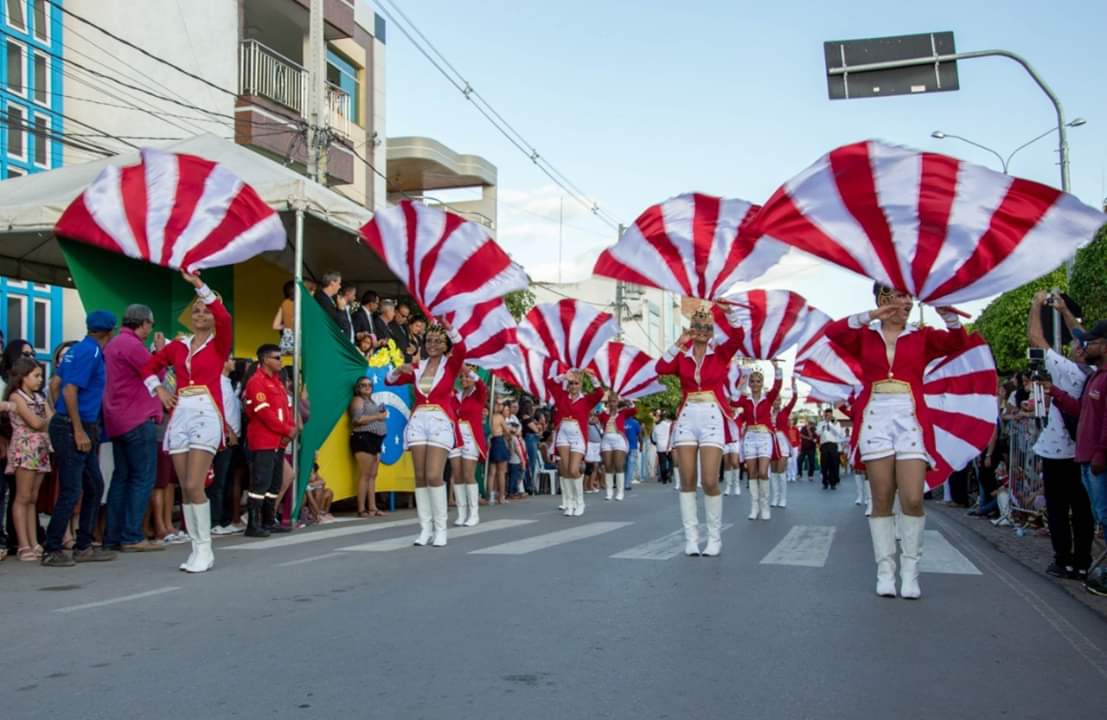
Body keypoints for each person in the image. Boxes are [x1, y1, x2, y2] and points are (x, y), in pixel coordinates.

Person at [823, 283, 967, 598]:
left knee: (913, 498)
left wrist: (950, 318)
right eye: (899, 296)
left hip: (910, 418)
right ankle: (885, 570)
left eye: (908, 297)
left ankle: (910, 571)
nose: (907, 302)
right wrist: (874, 315)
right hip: (875, 416)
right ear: (883, 299)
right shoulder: (865, 335)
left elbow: (957, 342)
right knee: (882, 497)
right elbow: (832, 331)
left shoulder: (922, 335)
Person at [142, 271, 233, 573]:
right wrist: (159, 389)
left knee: (196, 483)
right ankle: (196, 548)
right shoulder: (178, 345)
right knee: (184, 485)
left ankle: (205, 548)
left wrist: (199, 285)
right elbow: (148, 367)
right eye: (195, 310)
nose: (200, 314)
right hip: (180, 413)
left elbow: (224, 317)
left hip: (207, 412)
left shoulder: (220, 344)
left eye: (205, 310)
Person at [656, 305, 746, 557]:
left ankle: (714, 538)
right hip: (686, 417)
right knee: (686, 480)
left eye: (707, 325)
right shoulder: (682, 357)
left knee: (708, 479)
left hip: (711, 416)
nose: (702, 330)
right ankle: (691, 538)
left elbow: (739, 337)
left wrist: (728, 313)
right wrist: (679, 342)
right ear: (691, 329)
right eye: (697, 325)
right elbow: (660, 369)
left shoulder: (720, 354)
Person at [1024, 291, 1094, 579]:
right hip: (1081, 451)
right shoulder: (1092, 370)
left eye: (1081, 345)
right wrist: (1065, 310)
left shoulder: (1069, 371)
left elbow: (1035, 338)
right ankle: (1081, 562)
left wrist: (1036, 304)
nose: (1077, 345)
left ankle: (1063, 560)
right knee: (1082, 511)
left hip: (1058, 452)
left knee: (1058, 509)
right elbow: (1081, 335)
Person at [42, 310, 118, 567]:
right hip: (79, 425)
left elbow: (55, 385)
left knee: (94, 485)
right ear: (110, 332)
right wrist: (75, 428)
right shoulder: (93, 352)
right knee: (73, 488)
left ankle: (83, 545)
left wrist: (58, 415)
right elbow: (70, 390)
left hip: (71, 423)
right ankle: (52, 548)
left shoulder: (76, 349)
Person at [386, 321, 466, 546]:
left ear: (445, 345)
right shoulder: (418, 366)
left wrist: (450, 327)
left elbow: (461, 349)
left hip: (440, 421)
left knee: (433, 475)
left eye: (438, 341)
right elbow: (389, 381)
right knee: (420, 477)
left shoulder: (450, 365)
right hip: (418, 420)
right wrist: (398, 369)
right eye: (429, 340)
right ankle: (425, 529)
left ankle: (441, 529)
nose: (432, 344)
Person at [1049, 319, 1107, 595]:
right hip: (1086, 459)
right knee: (1101, 517)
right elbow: (1081, 409)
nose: (1085, 346)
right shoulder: (1096, 376)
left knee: (1104, 517)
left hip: (1098, 460)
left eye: (1091, 341)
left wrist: (1100, 453)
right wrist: (1056, 394)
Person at [103, 304, 165, 553]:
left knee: (121, 478)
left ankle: (113, 536)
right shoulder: (133, 346)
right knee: (142, 478)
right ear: (143, 323)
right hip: (137, 417)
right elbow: (155, 375)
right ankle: (131, 535)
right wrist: (160, 353)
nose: (150, 328)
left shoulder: (114, 344)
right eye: (150, 324)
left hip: (117, 418)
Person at [243, 345, 298, 537]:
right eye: (276, 358)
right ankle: (253, 524)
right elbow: (263, 413)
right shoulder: (256, 382)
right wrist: (286, 429)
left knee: (274, 484)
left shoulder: (278, 383)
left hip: (279, 440)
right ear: (265, 359)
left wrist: (291, 427)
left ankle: (268, 520)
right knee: (260, 483)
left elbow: (286, 409)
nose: (280, 361)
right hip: (263, 440)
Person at [5, 357, 50, 561]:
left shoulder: (39, 397)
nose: (40, 379)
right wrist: (44, 421)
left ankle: (34, 542)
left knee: (33, 498)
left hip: (40, 449)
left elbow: (52, 417)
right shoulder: (16, 397)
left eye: (41, 375)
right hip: (25, 448)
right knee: (22, 497)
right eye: (36, 376)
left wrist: (45, 421)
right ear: (23, 377)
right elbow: (35, 422)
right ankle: (23, 544)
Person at [546, 369, 605, 518]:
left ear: (580, 385)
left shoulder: (586, 400)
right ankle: (569, 502)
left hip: (578, 435)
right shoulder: (562, 396)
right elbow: (550, 383)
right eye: (571, 383)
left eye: (576, 383)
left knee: (573, 470)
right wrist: (563, 376)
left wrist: (593, 377)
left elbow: (599, 393)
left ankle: (580, 502)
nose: (573, 386)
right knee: (565, 470)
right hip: (563, 434)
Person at [738, 364, 783, 520]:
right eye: (753, 381)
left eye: (758, 381)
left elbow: (778, 385)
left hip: (764, 437)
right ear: (750, 384)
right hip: (750, 437)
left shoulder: (768, 398)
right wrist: (741, 380)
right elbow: (732, 398)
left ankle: (765, 506)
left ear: (762, 383)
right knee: (752, 473)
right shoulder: (745, 400)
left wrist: (776, 367)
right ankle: (754, 506)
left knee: (763, 472)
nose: (755, 384)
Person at [209, 357, 244, 536]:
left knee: (228, 481)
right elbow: (218, 409)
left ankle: (225, 519)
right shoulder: (218, 382)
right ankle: (214, 522)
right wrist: (228, 431)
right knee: (219, 482)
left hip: (234, 439)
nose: (233, 362)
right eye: (229, 359)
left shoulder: (229, 383)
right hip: (224, 438)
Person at [449, 366, 487, 527]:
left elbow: (482, 386)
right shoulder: (455, 396)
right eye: (462, 377)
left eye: (467, 377)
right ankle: (461, 513)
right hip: (456, 436)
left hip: (471, 437)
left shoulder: (478, 395)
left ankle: (474, 513)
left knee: (468, 474)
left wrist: (468, 369)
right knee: (457, 475)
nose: (464, 379)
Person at [349, 376, 388, 518]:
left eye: (369, 385)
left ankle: (372, 507)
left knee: (372, 475)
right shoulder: (358, 400)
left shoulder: (371, 401)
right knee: (365, 475)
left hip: (375, 439)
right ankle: (361, 508)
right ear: (358, 388)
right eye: (363, 385)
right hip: (363, 437)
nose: (367, 387)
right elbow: (357, 419)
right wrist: (377, 417)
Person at [599, 394, 635, 501]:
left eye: (614, 401)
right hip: (606, 439)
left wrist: (629, 402)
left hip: (619, 438)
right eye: (610, 401)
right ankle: (609, 492)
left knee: (619, 465)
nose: (612, 403)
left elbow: (634, 411)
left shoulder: (623, 412)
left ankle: (620, 492)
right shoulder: (603, 414)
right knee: (608, 466)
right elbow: (595, 419)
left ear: (617, 402)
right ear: (608, 403)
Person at [769, 383, 798, 509]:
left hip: (782, 442)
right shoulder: (767, 413)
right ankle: (775, 497)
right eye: (775, 399)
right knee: (774, 471)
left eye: (779, 400)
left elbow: (794, 399)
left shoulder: (785, 411)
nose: (777, 402)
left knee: (781, 471)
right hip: (771, 441)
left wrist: (793, 387)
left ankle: (783, 498)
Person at [816, 409, 845, 490]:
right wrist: (824, 425)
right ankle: (825, 482)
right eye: (826, 415)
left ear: (832, 415)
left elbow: (838, 433)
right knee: (824, 465)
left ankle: (833, 483)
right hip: (824, 445)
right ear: (824, 415)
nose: (828, 417)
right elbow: (818, 433)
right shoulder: (821, 423)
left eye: (829, 415)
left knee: (833, 464)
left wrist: (830, 424)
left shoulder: (836, 423)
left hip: (833, 445)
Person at [487, 400, 509, 506]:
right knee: (501, 472)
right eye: (499, 404)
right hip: (499, 441)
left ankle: (490, 497)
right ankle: (501, 497)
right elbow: (507, 430)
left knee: (492, 472)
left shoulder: (487, 417)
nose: (501, 406)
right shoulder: (499, 417)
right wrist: (506, 433)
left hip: (490, 441)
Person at [272, 280, 295, 355]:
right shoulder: (303, 304)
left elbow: (275, 326)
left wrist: (287, 326)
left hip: (286, 342)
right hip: (300, 341)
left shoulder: (284, 303)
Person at [652, 411, 674, 484]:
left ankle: (664, 479)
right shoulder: (669, 425)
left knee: (662, 463)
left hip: (660, 447)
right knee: (671, 461)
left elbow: (654, 439)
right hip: (669, 447)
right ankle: (669, 472)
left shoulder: (656, 427)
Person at [624, 409, 642, 489]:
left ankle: (621, 483)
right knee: (630, 465)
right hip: (632, 446)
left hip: (623, 447)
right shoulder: (636, 423)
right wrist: (641, 445)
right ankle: (627, 484)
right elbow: (640, 435)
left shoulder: (622, 421)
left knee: (623, 466)